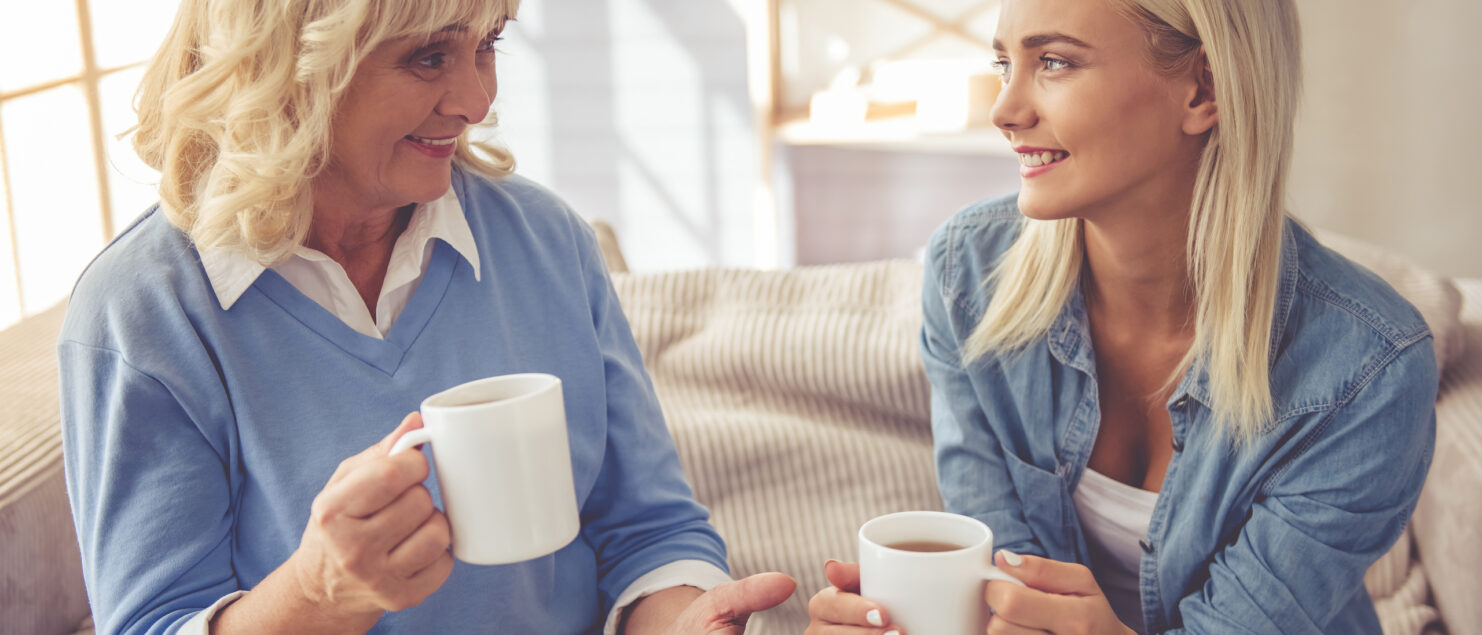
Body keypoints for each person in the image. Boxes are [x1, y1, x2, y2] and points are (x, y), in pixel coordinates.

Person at [58, 0, 796, 633]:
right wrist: (316, 594)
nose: (476, 100)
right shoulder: (143, 314)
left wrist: (683, 618)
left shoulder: (547, 241)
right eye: (429, 56)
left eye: (489, 43)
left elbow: (649, 530)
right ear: (289, 62)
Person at [807, 0, 1437, 632]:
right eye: (1005, 64)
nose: (1004, 111)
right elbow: (998, 591)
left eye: (1054, 62)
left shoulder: (1368, 371)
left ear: (1203, 89)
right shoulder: (966, 277)